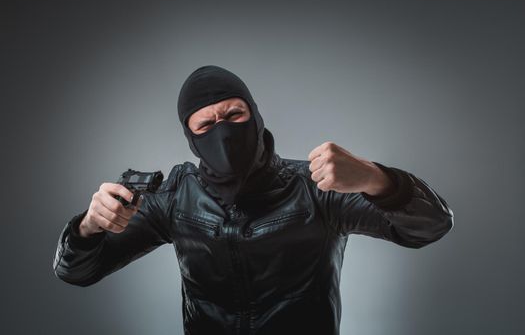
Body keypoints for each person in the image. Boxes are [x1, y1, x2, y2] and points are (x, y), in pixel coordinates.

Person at [53, 65, 454, 335]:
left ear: (256, 116)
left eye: (234, 114)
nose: (222, 131)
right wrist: (89, 227)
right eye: (206, 123)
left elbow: (431, 225)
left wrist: (374, 177)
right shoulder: (175, 197)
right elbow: (77, 272)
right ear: (191, 137)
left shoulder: (317, 189)